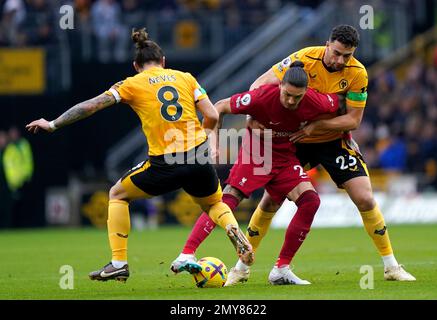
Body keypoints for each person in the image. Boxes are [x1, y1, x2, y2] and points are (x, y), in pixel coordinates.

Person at [173, 24, 415, 285]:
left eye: (347, 56)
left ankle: (391, 266)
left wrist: (316, 126)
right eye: (336, 53)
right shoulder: (302, 59)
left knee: (365, 198)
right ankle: (241, 267)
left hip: (330, 140)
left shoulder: (357, 73)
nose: (340, 60)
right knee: (269, 202)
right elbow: (259, 86)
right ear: (327, 44)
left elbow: (353, 120)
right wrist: (253, 118)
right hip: (291, 142)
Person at [26, 28, 253, 283]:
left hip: (165, 162)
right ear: (164, 61)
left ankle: (119, 263)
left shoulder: (131, 83)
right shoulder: (185, 78)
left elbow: (90, 106)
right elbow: (212, 114)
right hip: (198, 154)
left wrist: (53, 123)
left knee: (117, 194)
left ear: (136, 65)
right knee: (213, 203)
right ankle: (234, 230)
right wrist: (207, 139)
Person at [172, 61, 341, 285]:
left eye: (297, 97)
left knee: (310, 201)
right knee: (228, 200)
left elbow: (340, 106)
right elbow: (220, 106)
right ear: (280, 85)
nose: (291, 101)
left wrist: (345, 137)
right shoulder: (261, 97)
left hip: (284, 157)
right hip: (257, 153)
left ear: (306, 92)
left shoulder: (315, 101)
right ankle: (187, 253)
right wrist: (213, 141)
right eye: (287, 94)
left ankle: (281, 269)